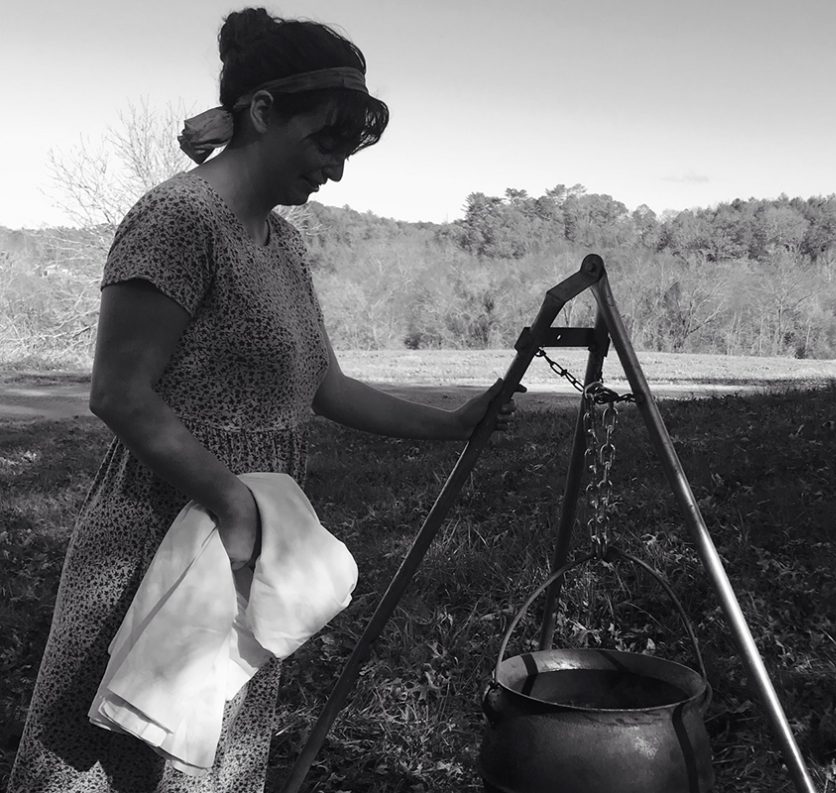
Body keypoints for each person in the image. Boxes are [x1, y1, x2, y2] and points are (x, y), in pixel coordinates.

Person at [7, 8, 518, 792]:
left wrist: (449, 425)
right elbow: (119, 391)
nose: (337, 170)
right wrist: (230, 502)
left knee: (206, 758)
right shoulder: (179, 218)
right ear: (263, 111)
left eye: (347, 151)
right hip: (159, 529)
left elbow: (324, 385)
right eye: (325, 143)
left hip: (244, 541)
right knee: (103, 759)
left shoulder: (283, 240)